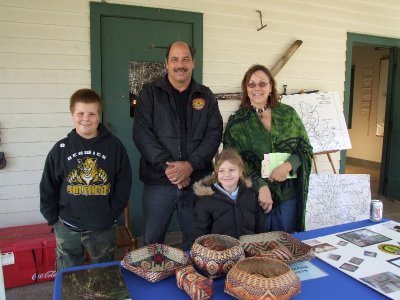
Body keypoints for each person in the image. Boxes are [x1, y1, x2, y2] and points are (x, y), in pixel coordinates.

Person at [132, 41, 223, 250]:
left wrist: (190, 165)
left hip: (197, 181)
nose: (179, 64)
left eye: (185, 59)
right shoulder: (150, 93)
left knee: (198, 243)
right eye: (174, 59)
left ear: (193, 63)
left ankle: (193, 281)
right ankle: (154, 281)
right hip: (159, 181)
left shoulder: (206, 96)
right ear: (166, 63)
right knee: (152, 243)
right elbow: (142, 134)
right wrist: (170, 169)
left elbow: (214, 133)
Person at [40, 88, 132, 271]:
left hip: (102, 228)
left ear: (99, 115)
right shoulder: (61, 149)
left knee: (104, 275)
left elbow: (124, 183)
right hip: (67, 226)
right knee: (69, 275)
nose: (86, 118)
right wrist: (53, 219)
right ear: (72, 114)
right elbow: (48, 186)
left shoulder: (114, 147)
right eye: (80, 113)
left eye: (92, 113)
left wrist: (111, 214)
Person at [223, 64, 313, 233]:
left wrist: (287, 166)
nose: (257, 88)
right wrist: (261, 187)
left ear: (271, 87)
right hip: (254, 197)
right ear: (246, 89)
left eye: (262, 83)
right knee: (258, 248)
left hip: (288, 196)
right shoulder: (237, 123)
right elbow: (233, 161)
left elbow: (305, 149)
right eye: (251, 84)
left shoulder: (288, 115)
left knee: (286, 247)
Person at [192, 148, 266, 240]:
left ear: (240, 172)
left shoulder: (250, 195)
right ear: (216, 174)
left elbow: (260, 225)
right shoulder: (206, 200)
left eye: (231, 170)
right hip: (221, 251)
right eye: (221, 171)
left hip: (248, 249)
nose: (227, 174)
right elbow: (200, 232)